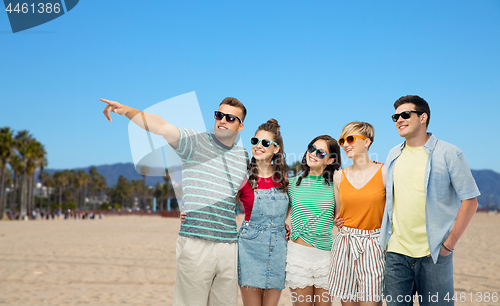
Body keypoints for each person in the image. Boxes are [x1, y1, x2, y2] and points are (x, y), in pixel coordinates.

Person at [101, 96, 251, 306]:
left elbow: (241, 196)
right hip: (196, 242)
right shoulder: (195, 141)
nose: (222, 120)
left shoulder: (243, 156)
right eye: (219, 115)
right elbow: (161, 126)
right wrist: (127, 110)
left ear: (240, 126)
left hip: (229, 246)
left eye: (230, 118)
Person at [379, 95, 480, 306]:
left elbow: (470, 201)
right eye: (395, 116)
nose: (399, 120)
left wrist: (448, 245)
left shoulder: (450, 153)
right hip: (396, 255)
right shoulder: (392, 155)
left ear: (423, 117)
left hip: (434, 254)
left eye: (405, 114)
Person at [328, 122, 386, 306]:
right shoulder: (339, 176)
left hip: (374, 246)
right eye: (342, 140)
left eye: (350, 139)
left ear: (367, 142)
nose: (345, 144)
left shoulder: (384, 172)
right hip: (345, 245)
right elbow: (338, 215)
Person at [237, 119, 290, 306]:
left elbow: (292, 206)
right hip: (249, 247)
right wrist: (190, 212)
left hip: (278, 248)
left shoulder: (283, 179)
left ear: (276, 149)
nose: (259, 146)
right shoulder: (242, 177)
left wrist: (287, 221)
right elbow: (222, 205)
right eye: (255, 141)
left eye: (265, 143)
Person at [286, 135, 341, 306]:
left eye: (320, 152)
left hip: (326, 258)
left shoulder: (336, 184)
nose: (313, 154)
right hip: (297, 258)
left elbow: (340, 216)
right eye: (311, 148)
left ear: (331, 159)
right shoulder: (291, 184)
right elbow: (279, 214)